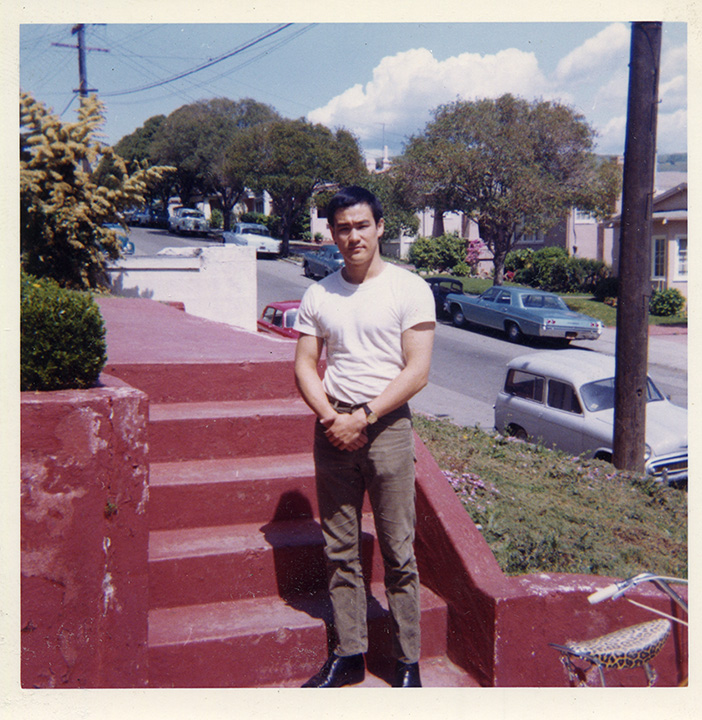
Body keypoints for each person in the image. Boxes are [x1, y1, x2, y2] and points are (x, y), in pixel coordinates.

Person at [293, 186, 435, 688]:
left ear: (379, 227)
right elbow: (305, 365)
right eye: (342, 228)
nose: (352, 236)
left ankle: (406, 662)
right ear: (331, 233)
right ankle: (349, 653)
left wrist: (366, 416)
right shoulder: (319, 292)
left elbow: (417, 371)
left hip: (388, 428)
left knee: (398, 549)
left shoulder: (410, 288)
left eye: (361, 225)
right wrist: (334, 417)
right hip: (333, 428)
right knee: (340, 547)